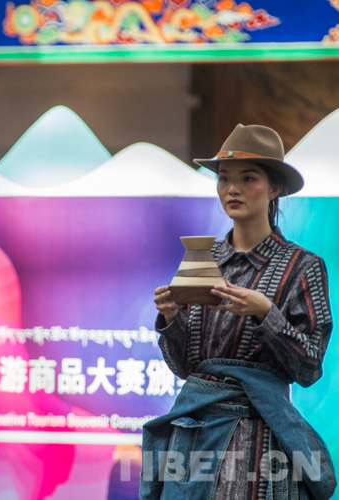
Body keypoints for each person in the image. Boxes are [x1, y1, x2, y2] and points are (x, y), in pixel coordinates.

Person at [143, 124, 335, 499]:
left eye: (248, 178)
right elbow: (186, 368)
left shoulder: (303, 266)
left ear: (274, 188)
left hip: (259, 438)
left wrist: (267, 314)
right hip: (193, 434)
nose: (233, 189)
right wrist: (170, 320)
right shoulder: (203, 260)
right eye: (224, 179)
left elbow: (310, 368)